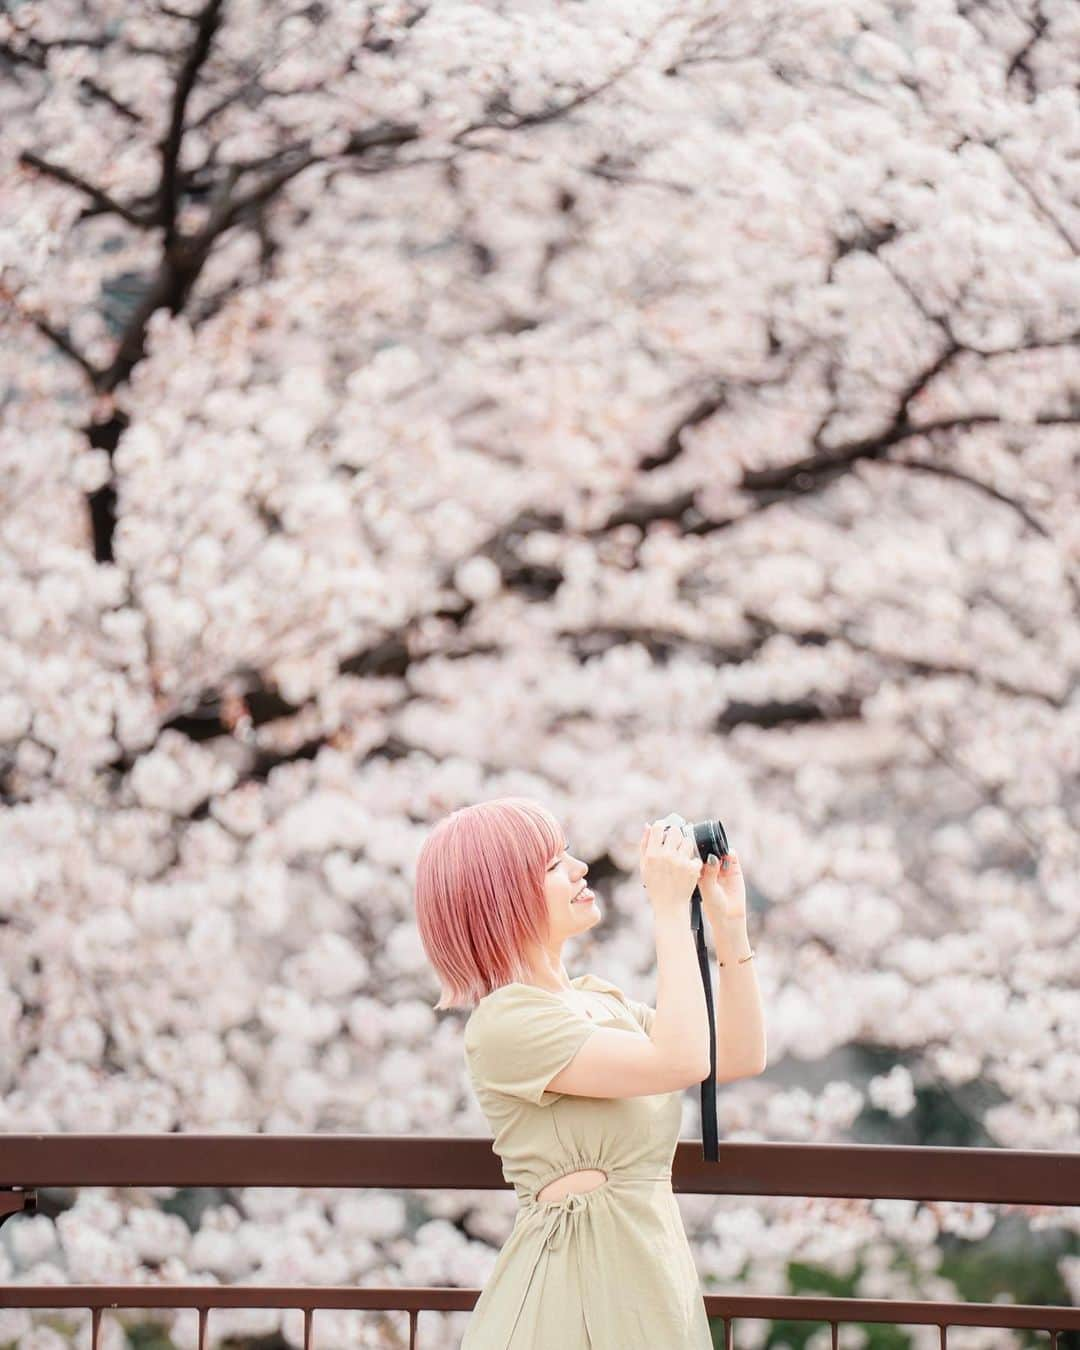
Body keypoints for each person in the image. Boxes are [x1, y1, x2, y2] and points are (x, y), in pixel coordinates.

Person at [415, 796, 721, 1348]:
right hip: (568, 1299)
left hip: (648, 1276)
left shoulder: (599, 1001)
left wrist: (731, 923)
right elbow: (682, 1062)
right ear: (503, 898)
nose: (580, 869)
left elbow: (736, 1055)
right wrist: (669, 910)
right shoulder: (505, 1020)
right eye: (554, 864)